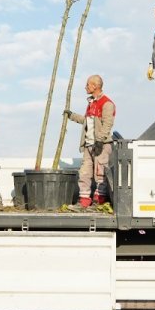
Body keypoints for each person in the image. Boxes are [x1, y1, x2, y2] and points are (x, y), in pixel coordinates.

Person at [64, 74, 115, 209]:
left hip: (101, 145)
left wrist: (99, 141)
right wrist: (72, 116)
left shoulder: (107, 103)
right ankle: (84, 201)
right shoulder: (91, 103)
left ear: (95, 86)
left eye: (87, 84)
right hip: (89, 145)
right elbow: (86, 120)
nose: (85, 87)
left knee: (100, 173)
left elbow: (107, 124)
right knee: (85, 172)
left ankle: (100, 202)